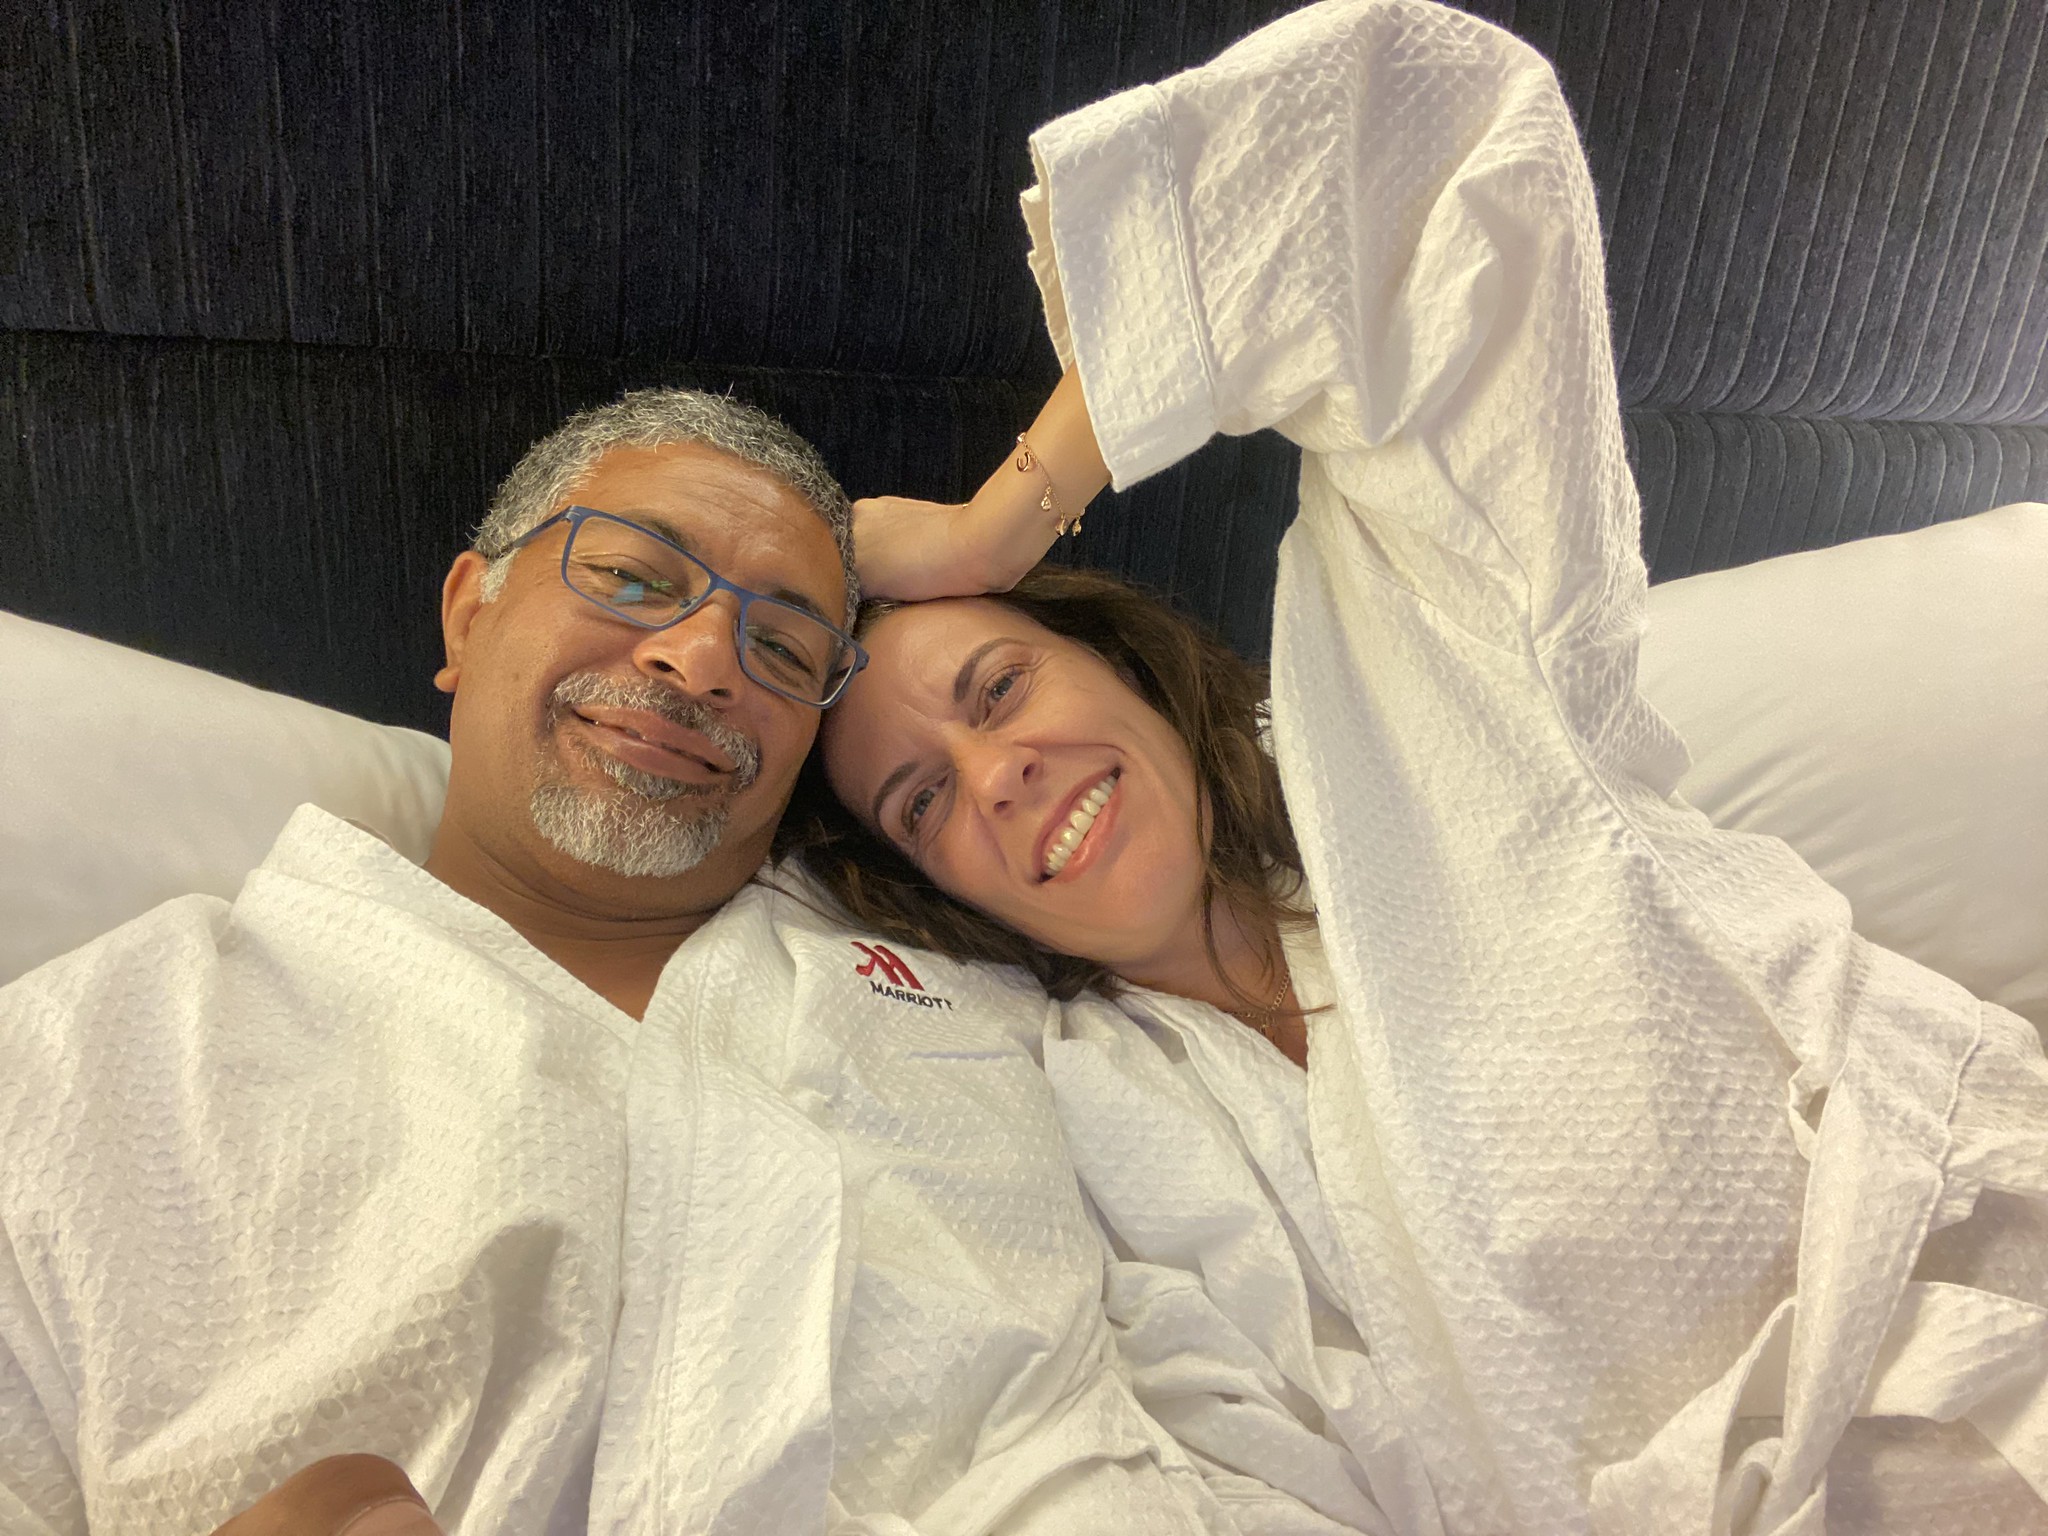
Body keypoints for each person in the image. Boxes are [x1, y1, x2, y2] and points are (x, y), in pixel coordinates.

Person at [800, 1, 2048, 1530]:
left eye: (998, 688)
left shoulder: (1437, 726)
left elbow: (1433, 135)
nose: (992, 776)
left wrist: (994, 522)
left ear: (1118, 663)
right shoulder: (1090, 1122)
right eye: (921, 799)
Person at [0, 390, 1230, 1533]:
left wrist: (993, 524)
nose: (702, 661)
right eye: (634, 577)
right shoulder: (100, 1057)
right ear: (469, 613)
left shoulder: (959, 958)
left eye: (783, 648)